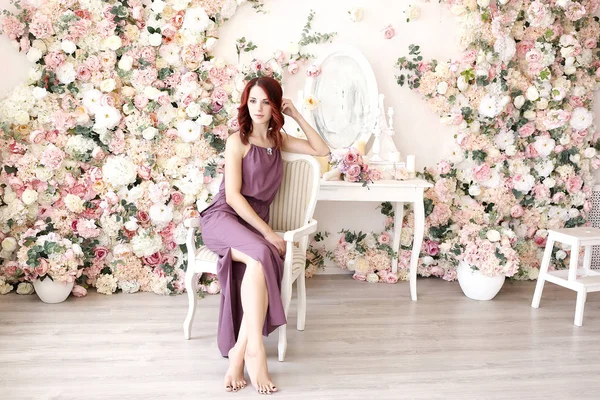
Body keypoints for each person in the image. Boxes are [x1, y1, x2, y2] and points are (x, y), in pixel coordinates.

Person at [199, 76, 330, 395]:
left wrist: (298, 115)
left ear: (275, 105)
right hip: (224, 218)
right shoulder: (237, 141)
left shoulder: (278, 140)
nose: (258, 108)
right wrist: (270, 233)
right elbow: (232, 197)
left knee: (259, 261)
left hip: (251, 225)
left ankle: (240, 353)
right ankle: (255, 355)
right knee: (264, 252)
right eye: (253, 100)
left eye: (265, 101)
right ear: (246, 103)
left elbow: (321, 149)